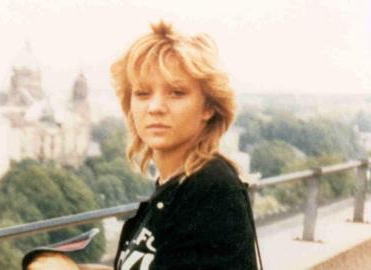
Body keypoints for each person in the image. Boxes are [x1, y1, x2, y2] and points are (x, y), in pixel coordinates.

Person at [108, 21, 263, 270]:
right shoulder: (177, 185)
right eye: (142, 93)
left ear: (209, 107)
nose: (155, 107)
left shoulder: (212, 191)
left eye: (176, 93)